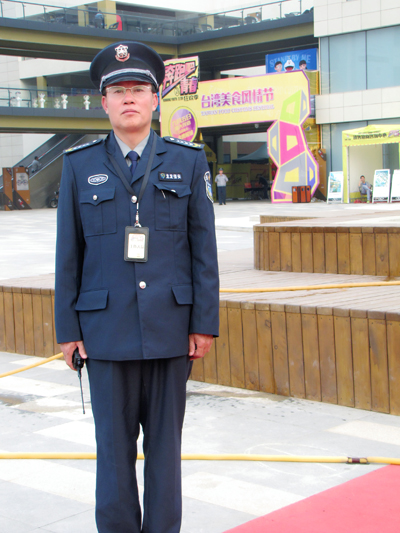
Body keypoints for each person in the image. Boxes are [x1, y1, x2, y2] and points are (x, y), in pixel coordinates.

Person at [55, 41, 219, 533]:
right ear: (104, 102)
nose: (129, 98)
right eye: (119, 91)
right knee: (113, 452)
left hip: (171, 329)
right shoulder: (78, 165)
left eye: (139, 89)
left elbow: (203, 250)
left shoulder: (189, 161)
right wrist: (68, 331)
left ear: (155, 100)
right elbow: (68, 254)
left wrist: (204, 323)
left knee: (166, 452)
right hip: (105, 334)